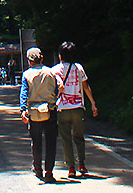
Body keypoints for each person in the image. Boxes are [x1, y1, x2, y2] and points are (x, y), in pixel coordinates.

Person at [52, 41, 98, 178]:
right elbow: (85, 86)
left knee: (66, 138)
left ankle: (71, 168)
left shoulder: (54, 70)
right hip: (78, 108)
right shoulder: (79, 68)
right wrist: (93, 103)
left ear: (60, 56)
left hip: (62, 108)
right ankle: (82, 164)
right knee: (79, 137)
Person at [20, 47, 61, 183]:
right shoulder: (51, 72)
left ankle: (38, 169)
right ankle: (49, 172)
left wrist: (23, 110)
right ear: (41, 58)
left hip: (34, 111)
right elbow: (56, 90)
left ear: (29, 61)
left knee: (36, 141)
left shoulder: (27, 74)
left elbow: (24, 93)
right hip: (50, 110)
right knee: (51, 142)